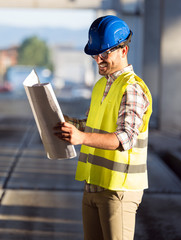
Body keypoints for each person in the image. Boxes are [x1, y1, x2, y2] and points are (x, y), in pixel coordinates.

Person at [55, 15, 152, 240]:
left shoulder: (132, 89)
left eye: (104, 53)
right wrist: (70, 124)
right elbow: (93, 127)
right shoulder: (101, 86)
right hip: (93, 186)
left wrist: (81, 138)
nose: (98, 59)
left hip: (118, 191)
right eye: (95, 54)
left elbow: (124, 138)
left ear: (123, 51)